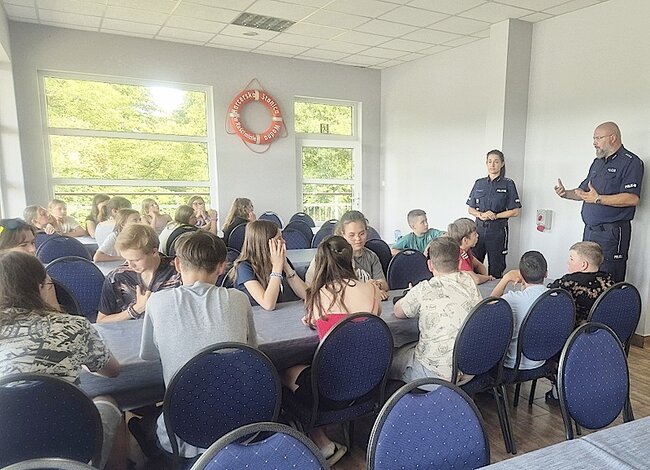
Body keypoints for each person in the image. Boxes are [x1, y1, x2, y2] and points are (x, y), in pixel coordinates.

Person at [0, 251, 124, 469]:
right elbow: (111, 370)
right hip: (71, 447)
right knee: (109, 402)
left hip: (6, 451)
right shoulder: (74, 326)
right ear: (41, 287)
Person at [140, 230, 256, 460]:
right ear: (222, 267)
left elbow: (149, 355)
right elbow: (251, 351)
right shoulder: (239, 299)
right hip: (239, 425)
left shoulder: (157, 301)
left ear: (177, 264)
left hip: (182, 432)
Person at [282, 234, 381, 465]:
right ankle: (324, 439)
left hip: (330, 388)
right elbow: (370, 321)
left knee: (281, 370)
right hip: (369, 381)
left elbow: (318, 323)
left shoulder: (319, 295)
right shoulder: (371, 289)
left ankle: (316, 438)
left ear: (321, 263)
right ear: (351, 260)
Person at [555, 122, 644, 282]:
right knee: (586, 277)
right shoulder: (598, 162)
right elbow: (584, 192)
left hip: (612, 234)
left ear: (613, 138)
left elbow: (632, 198)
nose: (594, 142)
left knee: (609, 279)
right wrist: (566, 193)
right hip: (590, 231)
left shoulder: (631, 162)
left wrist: (598, 199)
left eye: (598, 138)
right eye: (594, 138)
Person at [391, 237, 482, 383]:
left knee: (392, 357)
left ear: (430, 265)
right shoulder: (468, 280)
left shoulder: (423, 289)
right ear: (459, 262)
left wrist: (411, 294)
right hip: (469, 370)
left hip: (435, 377)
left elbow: (398, 311)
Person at [97, 223, 180, 323]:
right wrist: (135, 310)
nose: (130, 265)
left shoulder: (179, 271)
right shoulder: (117, 277)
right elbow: (101, 321)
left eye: (136, 260)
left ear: (154, 252)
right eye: (126, 259)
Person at [306, 211, 388, 298]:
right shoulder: (331, 256)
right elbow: (311, 287)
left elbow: (385, 285)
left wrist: (377, 285)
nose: (358, 239)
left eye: (362, 234)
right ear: (342, 234)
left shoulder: (371, 256)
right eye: (352, 235)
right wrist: (369, 290)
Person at [490, 251, 549, 371]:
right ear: (546, 273)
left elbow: (489, 304)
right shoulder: (555, 296)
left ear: (521, 275)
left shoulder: (512, 299)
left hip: (512, 364)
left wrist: (506, 278)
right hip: (542, 360)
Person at [466, 149, 521, 279]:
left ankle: (495, 291)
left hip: (497, 231)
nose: (492, 164)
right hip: (478, 231)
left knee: (496, 268)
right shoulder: (479, 183)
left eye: (496, 162)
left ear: (502, 164)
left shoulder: (508, 184)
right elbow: (470, 209)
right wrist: (480, 215)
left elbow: (515, 211)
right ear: (486, 163)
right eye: (489, 161)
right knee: (474, 266)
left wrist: (495, 215)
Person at [231, 220, 307, 310]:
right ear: (265, 243)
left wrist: (286, 267)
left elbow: (306, 295)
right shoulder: (244, 267)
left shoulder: (280, 260)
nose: (284, 241)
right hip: (257, 317)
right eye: (279, 239)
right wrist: (277, 268)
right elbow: (268, 304)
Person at [547, 241, 615, 325]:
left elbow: (547, 297)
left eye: (571, 259)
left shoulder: (568, 282)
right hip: (604, 328)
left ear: (584, 265)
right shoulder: (609, 280)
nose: (568, 262)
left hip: (575, 329)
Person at [0, 218, 59, 310]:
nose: (33, 249)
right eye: (23, 245)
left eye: (32, 243)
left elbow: (55, 312)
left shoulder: (40, 276)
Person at [447, 218, 494, 285]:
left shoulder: (467, 250)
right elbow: (476, 280)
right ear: (465, 240)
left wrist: (485, 278)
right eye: (474, 234)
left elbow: (479, 265)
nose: (477, 235)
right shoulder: (459, 255)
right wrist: (488, 278)